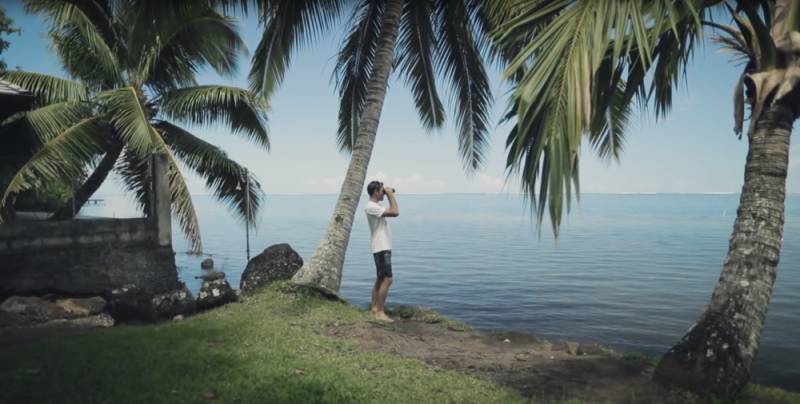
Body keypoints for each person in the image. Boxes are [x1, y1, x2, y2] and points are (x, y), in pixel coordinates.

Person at [364, 180, 399, 322]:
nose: (383, 192)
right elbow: (395, 212)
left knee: (380, 278)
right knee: (388, 279)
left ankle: (374, 308)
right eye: (381, 190)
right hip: (381, 246)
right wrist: (390, 194)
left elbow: (389, 210)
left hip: (381, 246)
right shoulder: (371, 206)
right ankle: (380, 312)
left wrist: (386, 191)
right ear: (375, 192)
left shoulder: (375, 205)